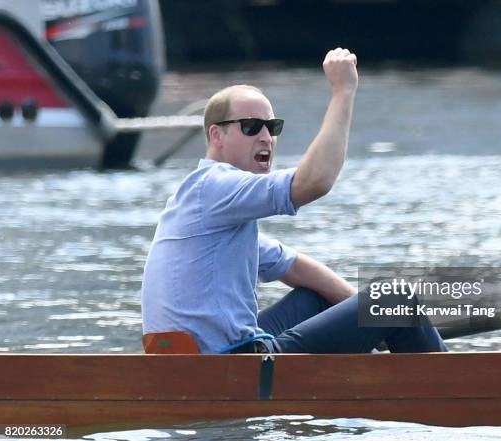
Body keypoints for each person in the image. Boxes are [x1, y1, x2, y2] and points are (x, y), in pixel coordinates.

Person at [141, 48, 447, 354]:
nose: (265, 137)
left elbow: (295, 267)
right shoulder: (214, 186)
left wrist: (375, 322)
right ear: (216, 136)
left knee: (317, 298)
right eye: (251, 126)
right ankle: (459, 391)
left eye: (272, 127)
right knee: (396, 297)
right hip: (231, 368)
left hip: (204, 364)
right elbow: (315, 181)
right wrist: (343, 91)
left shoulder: (212, 213)